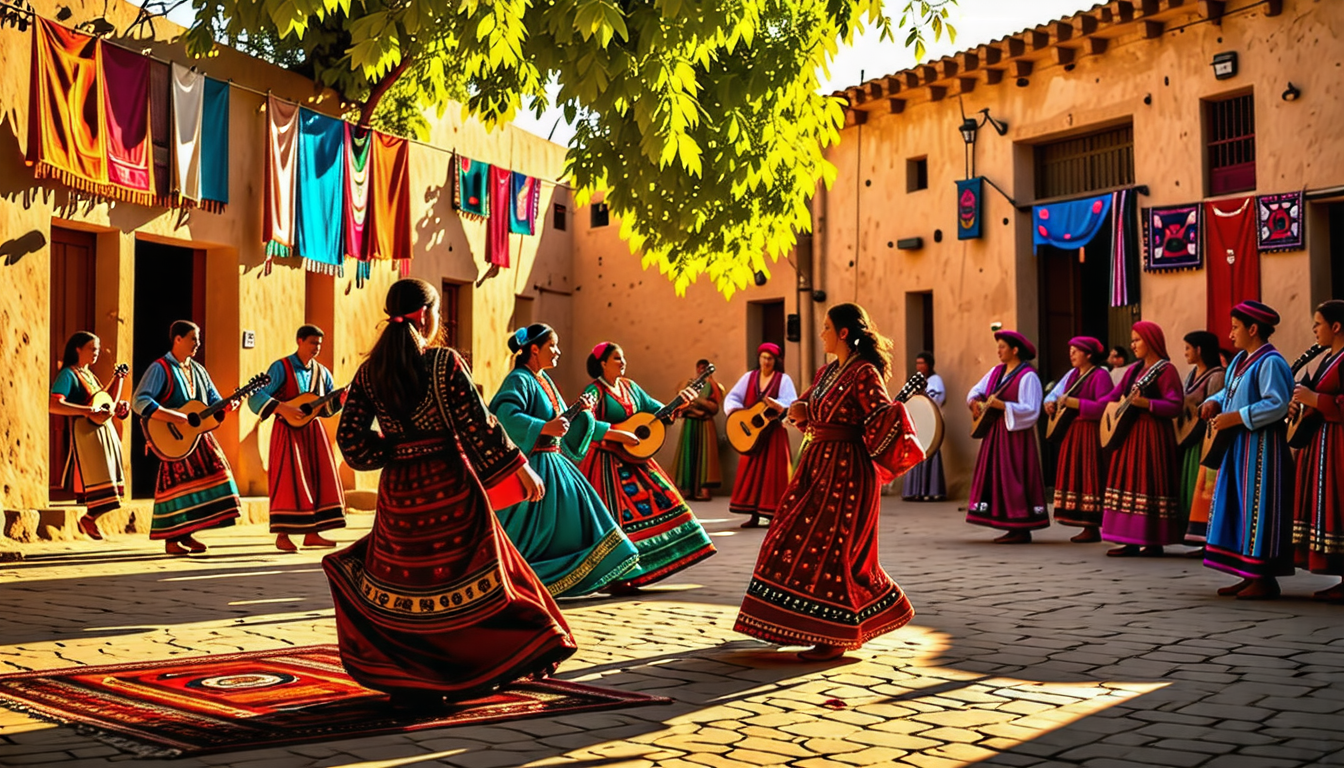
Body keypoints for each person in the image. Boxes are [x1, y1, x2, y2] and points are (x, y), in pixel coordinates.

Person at [326, 279, 575, 701]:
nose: (440, 318)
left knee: (411, 583)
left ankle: (412, 673)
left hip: (399, 495)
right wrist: (519, 469)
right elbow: (478, 426)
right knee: (481, 577)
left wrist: (393, 450)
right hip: (451, 489)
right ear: (425, 315)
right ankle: (484, 662)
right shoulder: (445, 362)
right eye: (438, 310)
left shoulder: (369, 372)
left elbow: (350, 441)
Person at [735, 303, 923, 661]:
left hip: (848, 472)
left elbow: (880, 415)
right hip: (815, 467)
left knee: (832, 551)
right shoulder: (826, 373)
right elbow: (808, 408)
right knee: (785, 537)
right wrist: (794, 411)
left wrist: (898, 416)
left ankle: (835, 636)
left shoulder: (865, 372)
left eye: (825, 327)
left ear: (842, 333)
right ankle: (799, 623)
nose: (820, 333)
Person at [488, 324, 640, 597]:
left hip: (556, 467)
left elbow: (564, 422)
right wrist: (544, 428)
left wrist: (582, 411)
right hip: (532, 468)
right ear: (534, 349)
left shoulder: (544, 380)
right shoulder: (519, 380)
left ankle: (597, 574)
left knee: (582, 523)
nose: (558, 351)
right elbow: (504, 417)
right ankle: (524, 579)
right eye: (553, 346)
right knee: (536, 534)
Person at [578, 342, 716, 593]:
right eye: (617, 358)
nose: (623, 362)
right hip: (606, 463)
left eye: (623, 357)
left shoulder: (630, 387)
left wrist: (680, 404)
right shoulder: (595, 391)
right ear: (602, 364)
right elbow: (585, 423)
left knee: (665, 498)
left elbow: (656, 412)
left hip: (635, 459)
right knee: (615, 519)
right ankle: (617, 576)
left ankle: (649, 567)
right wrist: (617, 435)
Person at [1200, 300, 1295, 600]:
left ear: (1253, 329)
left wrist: (1236, 417)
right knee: (1240, 506)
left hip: (1262, 451)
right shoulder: (1241, 361)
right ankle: (1247, 572)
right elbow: (1229, 391)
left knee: (1259, 508)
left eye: (1235, 328)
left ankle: (1264, 577)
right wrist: (1214, 401)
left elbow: (1277, 403)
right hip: (1238, 448)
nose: (1230, 335)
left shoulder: (1271, 362)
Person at [132, 321, 243, 555]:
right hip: (173, 439)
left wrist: (228, 404)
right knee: (176, 487)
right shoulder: (160, 368)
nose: (198, 343)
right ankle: (171, 539)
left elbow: (213, 400)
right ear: (178, 339)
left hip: (199, 437)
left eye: (198, 339)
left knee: (219, 473)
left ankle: (189, 532)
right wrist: (172, 416)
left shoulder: (199, 370)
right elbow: (140, 401)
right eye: (193, 338)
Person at [248, 325, 346, 553]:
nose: (316, 348)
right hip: (286, 433)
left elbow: (325, 408)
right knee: (288, 481)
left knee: (316, 479)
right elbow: (257, 396)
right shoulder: (281, 367)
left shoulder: (323, 373)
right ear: (299, 341)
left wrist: (340, 400)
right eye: (312, 343)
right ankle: (283, 535)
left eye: (319, 344)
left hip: (313, 433)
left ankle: (312, 533)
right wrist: (283, 408)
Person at [1098, 322, 1185, 557]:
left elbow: (1175, 404)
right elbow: (1114, 396)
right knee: (1127, 482)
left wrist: (1148, 404)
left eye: (1137, 340)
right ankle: (1129, 539)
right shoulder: (1133, 370)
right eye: (1132, 339)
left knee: (1148, 481)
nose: (1132, 344)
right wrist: (1092, 405)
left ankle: (1152, 540)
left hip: (1153, 436)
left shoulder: (1166, 370)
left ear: (1152, 341)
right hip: (1128, 435)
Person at [966, 330, 1049, 543]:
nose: (999, 351)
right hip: (995, 434)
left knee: (1014, 476)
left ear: (1015, 350)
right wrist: (975, 402)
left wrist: (1003, 406)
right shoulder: (996, 372)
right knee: (996, 476)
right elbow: (976, 390)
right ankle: (1005, 522)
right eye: (999, 346)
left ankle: (1020, 526)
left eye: (1003, 346)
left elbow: (1031, 409)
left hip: (1015, 438)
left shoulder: (1028, 376)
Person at [49, 332, 129, 540]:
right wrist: (84, 411)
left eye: (97, 349)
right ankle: (90, 517)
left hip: (102, 434)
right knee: (101, 485)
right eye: (92, 349)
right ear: (78, 348)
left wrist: (118, 404)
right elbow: (54, 404)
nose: (96, 353)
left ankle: (90, 517)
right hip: (86, 435)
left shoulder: (89, 376)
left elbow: (103, 402)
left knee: (113, 487)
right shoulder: (68, 374)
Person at [1292, 300, 1344, 600]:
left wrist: (1316, 400)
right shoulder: (1326, 359)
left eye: (1318, 323)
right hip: (1322, 443)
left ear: (1336, 327)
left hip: (1338, 446)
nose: (1314, 329)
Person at [1042, 337, 1111, 542]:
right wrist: (1050, 403)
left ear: (1089, 354)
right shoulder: (1072, 375)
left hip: (1090, 432)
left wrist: (1076, 403)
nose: (1071, 354)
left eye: (1076, 350)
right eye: (1070, 350)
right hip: (1073, 432)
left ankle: (1092, 525)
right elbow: (1054, 394)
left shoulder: (1101, 376)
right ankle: (1082, 523)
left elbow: (1104, 407)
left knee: (1090, 474)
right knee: (1076, 474)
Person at [725, 343, 798, 527]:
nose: (766, 362)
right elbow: (733, 397)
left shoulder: (783, 379)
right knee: (751, 472)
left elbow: (791, 401)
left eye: (770, 358)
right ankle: (754, 515)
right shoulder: (749, 377)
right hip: (752, 435)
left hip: (773, 434)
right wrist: (740, 413)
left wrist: (777, 403)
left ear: (776, 361)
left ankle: (774, 515)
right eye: (763, 357)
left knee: (774, 473)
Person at [1180, 331, 1226, 553]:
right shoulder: (1191, 375)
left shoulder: (1217, 376)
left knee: (1206, 489)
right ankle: (1197, 537)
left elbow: (1216, 409)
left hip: (1206, 441)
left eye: (1188, 348)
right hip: (1191, 440)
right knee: (1191, 489)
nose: (1186, 352)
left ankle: (1209, 539)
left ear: (1199, 349)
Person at [673, 359, 725, 502]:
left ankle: (704, 490)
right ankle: (687, 489)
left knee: (705, 457)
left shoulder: (714, 386)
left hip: (705, 425)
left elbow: (714, 408)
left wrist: (696, 402)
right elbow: (681, 404)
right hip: (690, 424)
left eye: (705, 368)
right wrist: (697, 410)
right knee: (688, 455)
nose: (702, 371)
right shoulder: (688, 384)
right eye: (700, 368)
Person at [901, 352, 947, 502]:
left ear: (929, 365)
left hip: (932, 423)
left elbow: (937, 399)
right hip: (918, 424)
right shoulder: (915, 381)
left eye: (922, 363)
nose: (919, 366)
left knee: (930, 451)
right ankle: (915, 491)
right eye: (917, 363)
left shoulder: (935, 380)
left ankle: (932, 491)